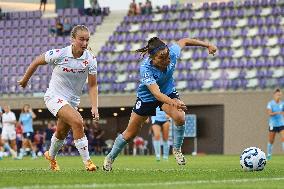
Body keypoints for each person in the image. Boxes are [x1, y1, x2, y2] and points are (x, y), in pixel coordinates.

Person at [103, 37, 217, 171]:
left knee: (180, 117)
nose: (166, 61)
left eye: (167, 56)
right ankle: (110, 158)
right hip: (148, 98)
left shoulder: (172, 53)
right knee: (130, 133)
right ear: (152, 58)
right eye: (161, 59)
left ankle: (176, 149)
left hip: (167, 92)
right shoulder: (146, 68)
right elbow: (156, 94)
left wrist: (207, 45)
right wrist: (174, 103)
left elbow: (185, 41)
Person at [18, 25, 99, 171]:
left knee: (61, 132)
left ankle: (51, 156)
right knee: (77, 121)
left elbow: (92, 86)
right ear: (73, 39)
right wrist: (25, 80)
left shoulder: (91, 59)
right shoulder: (60, 54)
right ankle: (88, 162)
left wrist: (94, 106)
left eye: (87, 40)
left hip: (72, 101)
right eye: (81, 39)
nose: (85, 43)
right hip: (54, 96)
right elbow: (36, 61)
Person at [266, 88, 284, 160]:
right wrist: (277, 112)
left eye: (280, 95)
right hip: (273, 124)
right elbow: (269, 113)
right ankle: (269, 155)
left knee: (283, 138)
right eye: (277, 95)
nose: (279, 96)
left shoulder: (282, 103)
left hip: (281, 124)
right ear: (274, 95)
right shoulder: (270, 104)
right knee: (271, 140)